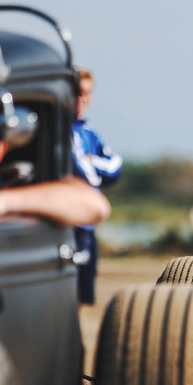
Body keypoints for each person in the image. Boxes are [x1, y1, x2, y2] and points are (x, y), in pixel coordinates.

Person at [69, 68, 122, 306]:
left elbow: (114, 167)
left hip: (86, 229)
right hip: (63, 224)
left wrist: (91, 164)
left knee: (82, 296)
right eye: (76, 92)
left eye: (86, 93)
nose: (81, 99)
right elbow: (84, 171)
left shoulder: (90, 133)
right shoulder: (55, 130)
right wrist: (89, 166)